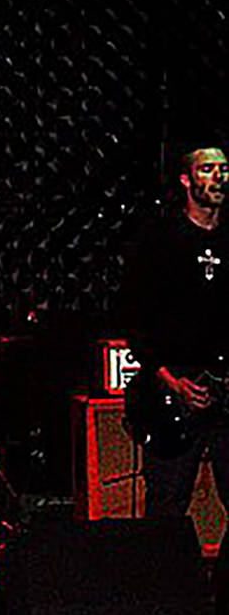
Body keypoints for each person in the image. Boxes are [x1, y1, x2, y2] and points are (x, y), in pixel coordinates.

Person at [120, 141, 229, 519]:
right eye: (207, 169)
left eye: (223, 169)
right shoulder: (159, 240)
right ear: (186, 179)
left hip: (223, 392)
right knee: (167, 508)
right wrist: (171, 380)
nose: (218, 177)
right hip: (173, 394)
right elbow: (136, 323)